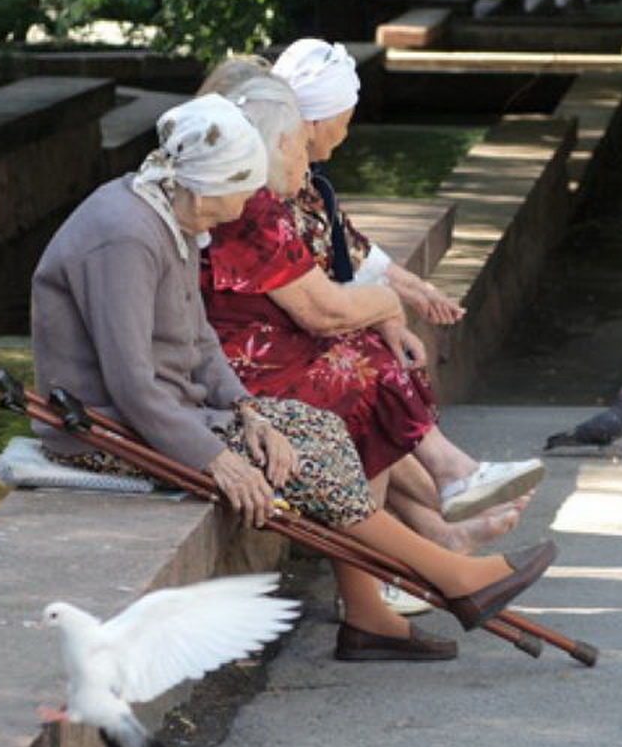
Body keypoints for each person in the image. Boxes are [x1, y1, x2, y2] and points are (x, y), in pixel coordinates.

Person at [30, 93, 557, 660]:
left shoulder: (175, 210)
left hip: (176, 407)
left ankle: (393, 605)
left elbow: (200, 339)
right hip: (111, 426)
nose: (253, 201)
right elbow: (132, 384)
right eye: (245, 186)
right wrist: (215, 457)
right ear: (213, 183)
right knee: (310, 458)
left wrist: (246, 412)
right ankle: (454, 575)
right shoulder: (128, 235)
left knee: (321, 431)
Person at [201, 47, 544, 528]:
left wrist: (403, 297)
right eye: (339, 120)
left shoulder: (276, 187)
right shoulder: (258, 204)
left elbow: (348, 248)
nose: (344, 133)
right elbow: (323, 309)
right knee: (362, 375)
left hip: (252, 344)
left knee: (367, 361)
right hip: (231, 365)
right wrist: (389, 303)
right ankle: (428, 521)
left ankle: (440, 517)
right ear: (293, 133)